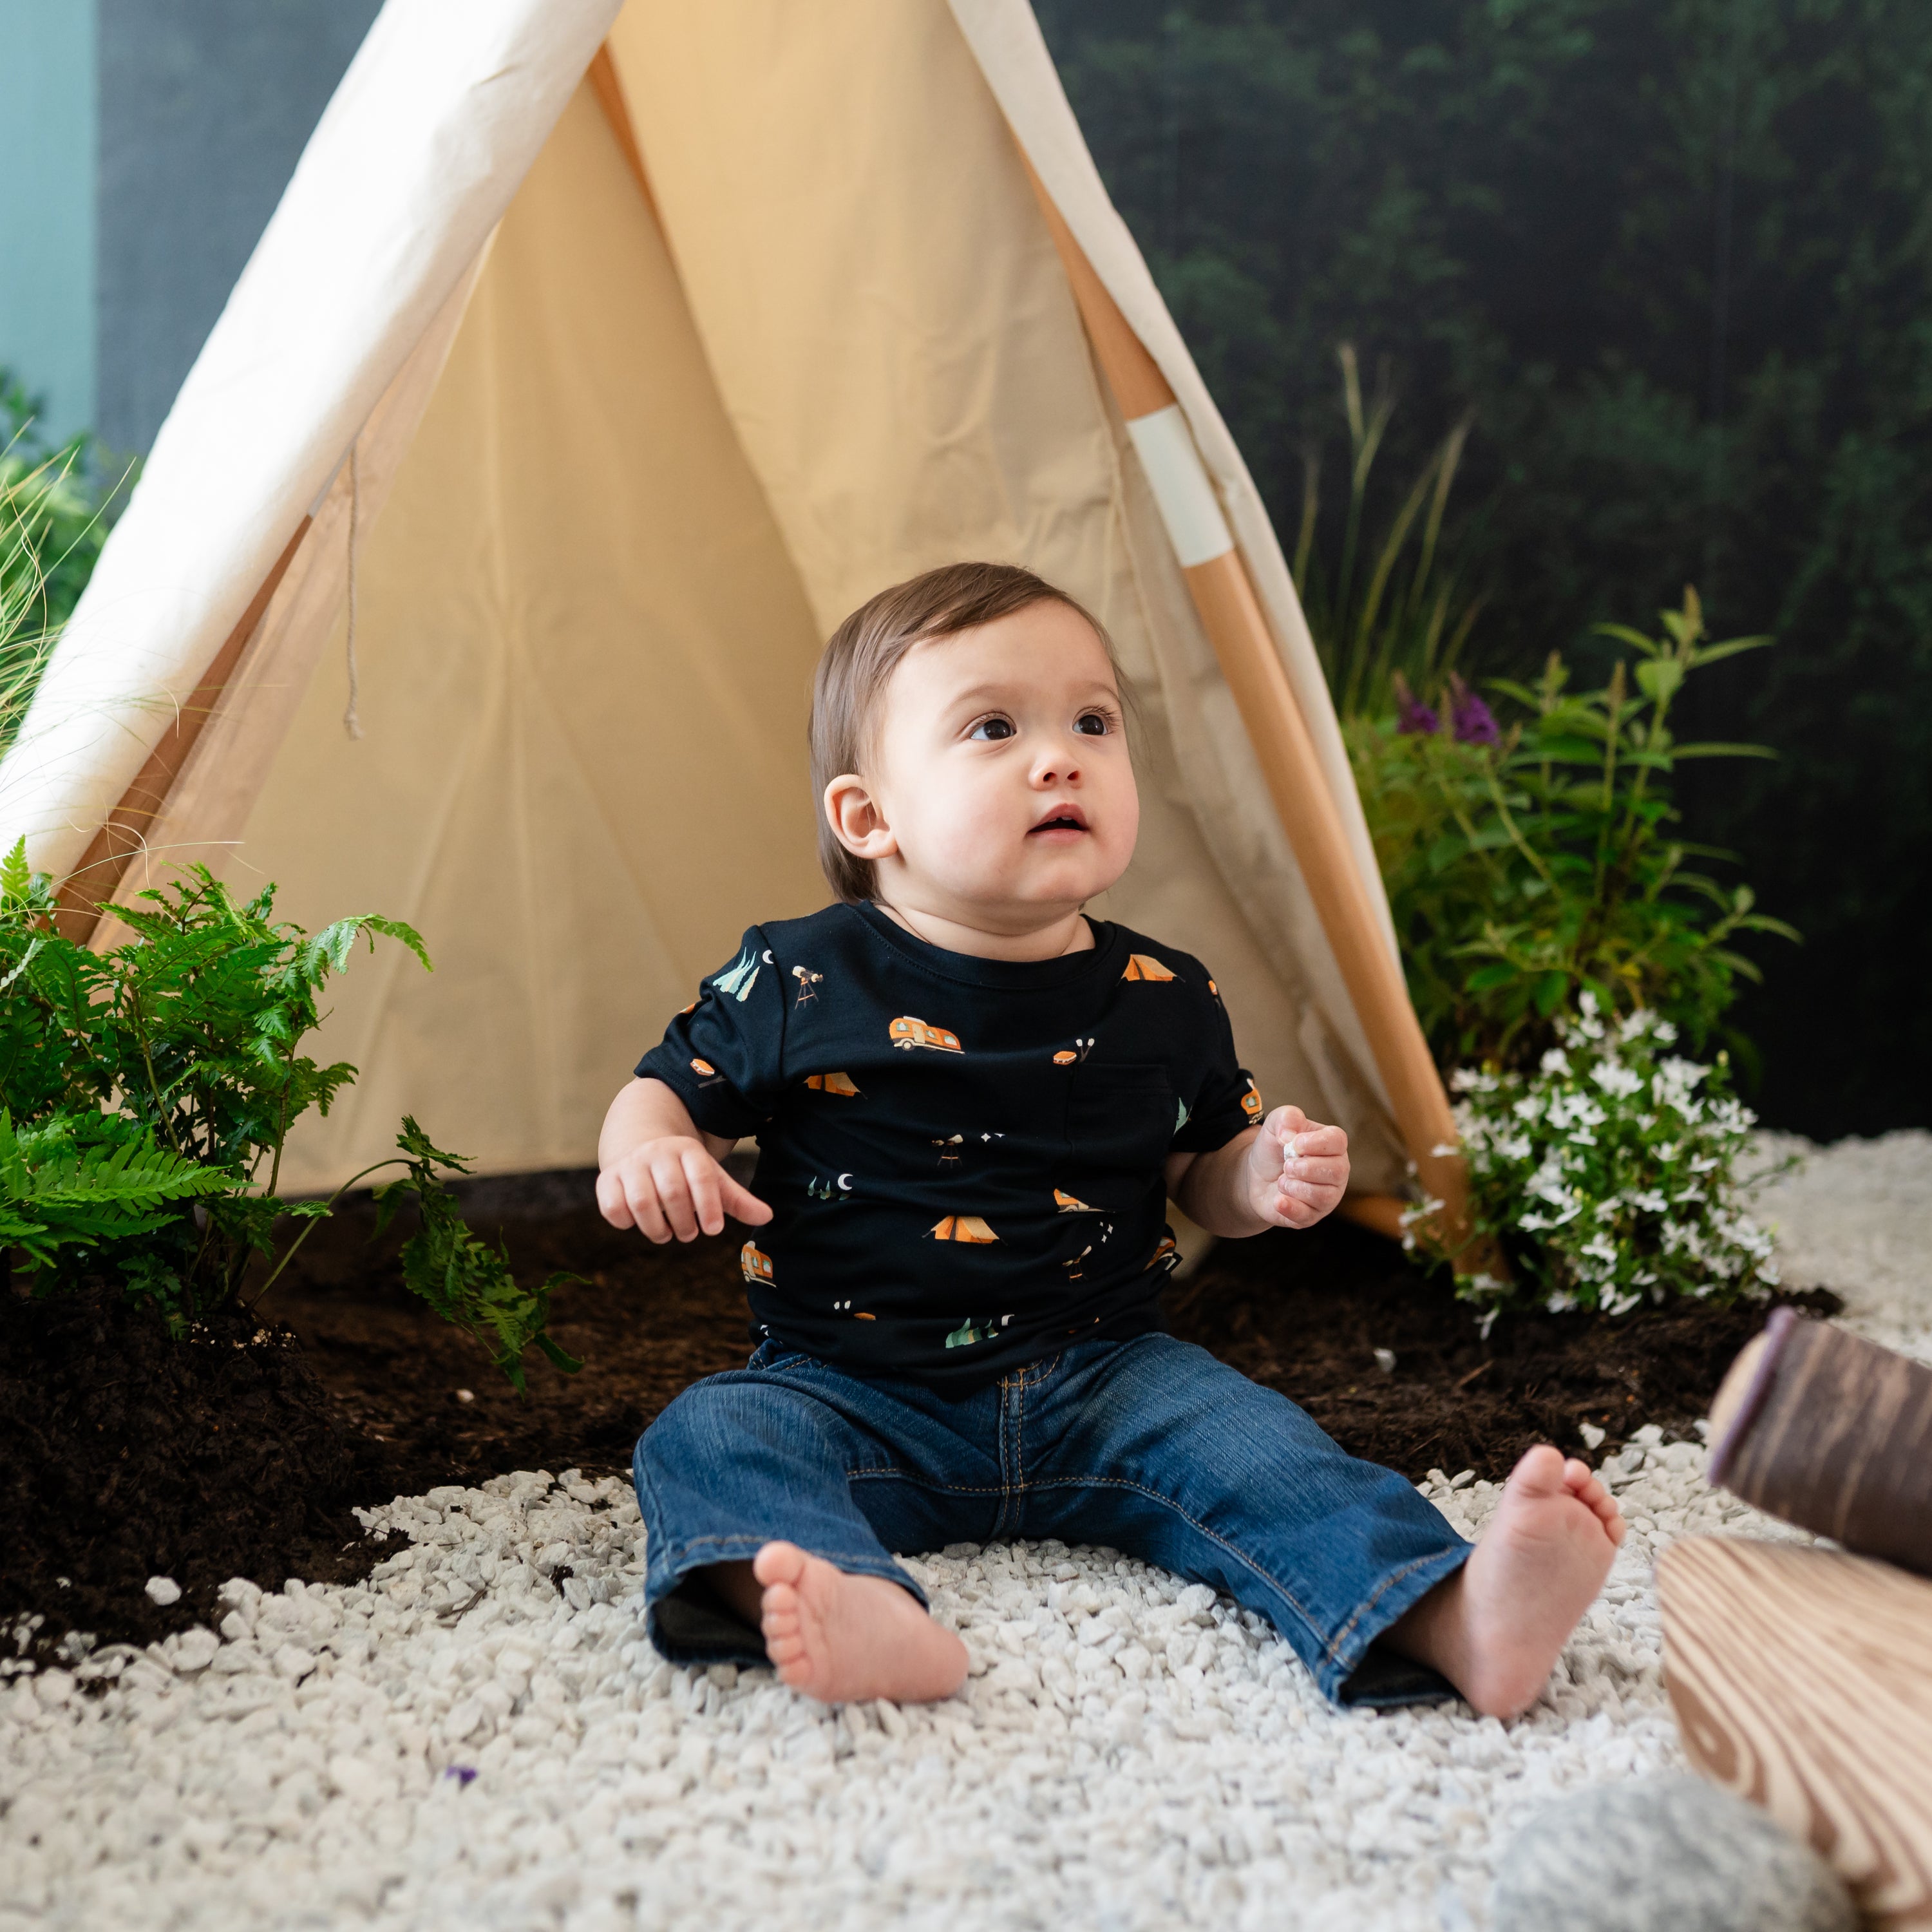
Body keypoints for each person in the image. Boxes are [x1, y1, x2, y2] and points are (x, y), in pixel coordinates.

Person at [598, 562, 1624, 1718]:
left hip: (1111, 1375)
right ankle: (851, 1598)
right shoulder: (797, 974)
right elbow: (660, 1091)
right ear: (868, 817)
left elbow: (1205, 1175)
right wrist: (649, 1149)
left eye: (1093, 720)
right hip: (848, 1388)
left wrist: (1264, 1173)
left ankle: (1447, 1614)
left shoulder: (1162, 993)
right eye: (994, 727)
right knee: (709, 1435)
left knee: (1267, 1451)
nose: (1060, 755)